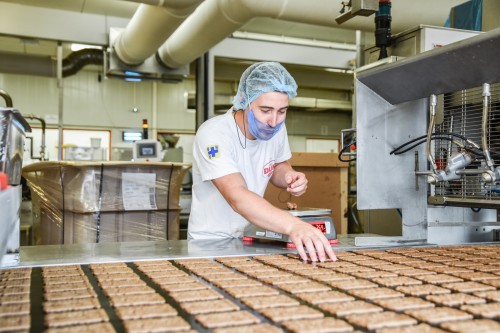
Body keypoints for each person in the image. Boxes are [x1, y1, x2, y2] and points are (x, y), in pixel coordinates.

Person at [188, 62, 337, 262]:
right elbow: (236, 195)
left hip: (251, 236)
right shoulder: (214, 134)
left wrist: (288, 177)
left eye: (282, 111)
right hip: (211, 243)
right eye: (265, 110)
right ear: (244, 100)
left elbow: (278, 165)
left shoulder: (276, 130)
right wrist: (293, 225)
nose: (273, 121)